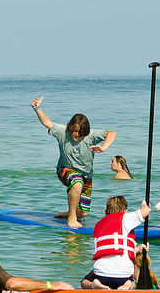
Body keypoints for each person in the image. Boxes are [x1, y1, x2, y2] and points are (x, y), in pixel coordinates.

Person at [30, 96, 117, 228]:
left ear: (85, 132)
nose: (76, 134)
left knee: (82, 213)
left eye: (80, 132)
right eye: (74, 131)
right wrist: (38, 109)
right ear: (70, 128)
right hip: (64, 169)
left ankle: (69, 213)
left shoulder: (91, 135)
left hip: (86, 175)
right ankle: (71, 218)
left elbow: (112, 133)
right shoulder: (62, 132)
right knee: (77, 182)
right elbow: (47, 122)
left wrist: (103, 147)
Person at [80, 196, 150, 290]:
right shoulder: (125, 218)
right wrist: (144, 204)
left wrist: (138, 249)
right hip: (123, 276)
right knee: (134, 282)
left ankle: (93, 285)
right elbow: (145, 211)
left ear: (105, 213)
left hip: (102, 275)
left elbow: (112, 248)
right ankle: (128, 285)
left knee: (84, 282)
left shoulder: (98, 225)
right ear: (125, 211)